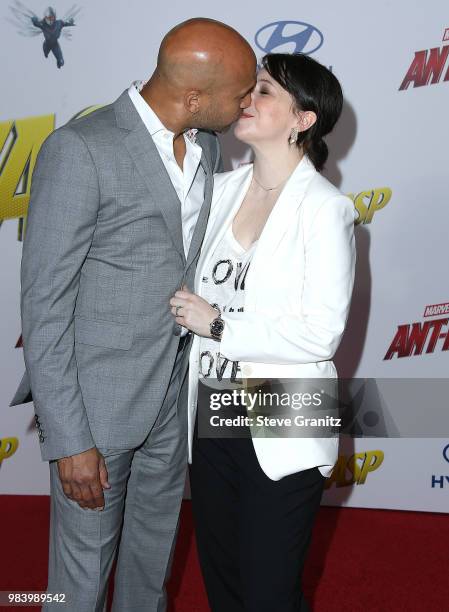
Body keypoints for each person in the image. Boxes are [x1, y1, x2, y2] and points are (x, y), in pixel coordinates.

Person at [10, 18, 256, 612]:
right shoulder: (81, 149)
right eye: (240, 93)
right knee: (80, 583)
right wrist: (69, 441)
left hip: (170, 405)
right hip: (94, 413)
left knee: (151, 569)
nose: (247, 103)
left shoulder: (207, 145)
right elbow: (44, 308)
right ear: (194, 96)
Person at [170, 53, 356, 611]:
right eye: (250, 89)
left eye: (266, 92)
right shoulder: (216, 191)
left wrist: (220, 324)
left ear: (304, 119)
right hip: (212, 405)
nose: (246, 100)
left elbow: (320, 334)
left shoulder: (326, 209)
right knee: (223, 580)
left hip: (290, 406)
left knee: (270, 590)